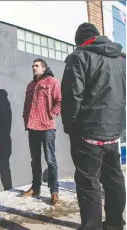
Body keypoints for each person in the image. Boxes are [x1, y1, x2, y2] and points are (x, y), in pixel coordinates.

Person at [61, 23, 126, 230]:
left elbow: (72, 96)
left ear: (79, 40)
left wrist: (70, 124)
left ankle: (91, 227)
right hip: (113, 131)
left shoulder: (79, 57)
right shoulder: (120, 58)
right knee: (113, 178)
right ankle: (116, 223)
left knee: (89, 183)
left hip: (87, 132)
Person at [22, 58, 61, 205]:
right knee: (35, 160)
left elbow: (59, 101)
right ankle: (36, 187)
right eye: (32, 66)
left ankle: (54, 191)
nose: (34, 68)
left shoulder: (52, 82)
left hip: (47, 127)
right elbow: (27, 105)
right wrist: (26, 118)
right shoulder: (30, 85)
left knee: (50, 159)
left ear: (44, 68)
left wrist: (50, 115)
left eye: (36, 66)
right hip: (33, 127)